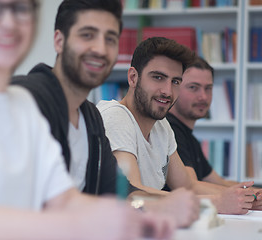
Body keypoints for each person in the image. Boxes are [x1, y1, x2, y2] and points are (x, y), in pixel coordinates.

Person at [0, 1, 174, 240]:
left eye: (21, 9)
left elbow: (64, 199)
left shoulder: (23, 107)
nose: (8, 22)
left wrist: (137, 218)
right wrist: (77, 226)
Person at [12, 0, 199, 228]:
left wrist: (161, 206)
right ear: (59, 41)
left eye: (110, 39)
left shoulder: (91, 118)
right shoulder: (25, 99)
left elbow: (121, 192)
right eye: (87, 35)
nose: (100, 49)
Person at [97, 36, 257, 215]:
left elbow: (188, 186)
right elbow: (133, 192)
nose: (167, 91)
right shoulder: (115, 116)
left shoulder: (161, 126)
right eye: (158, 77)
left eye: (175, 82)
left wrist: (247, 197)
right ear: (133, 77)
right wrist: (217, 202)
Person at [166, 56, 262, 210]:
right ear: (175, 87)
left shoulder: (189, 137)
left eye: (208, 88)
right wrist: (248, 196)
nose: (203, 96)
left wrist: (256, 192)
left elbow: (218, 182)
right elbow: (191, 186)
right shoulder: (169, 129)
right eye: (193, 87)